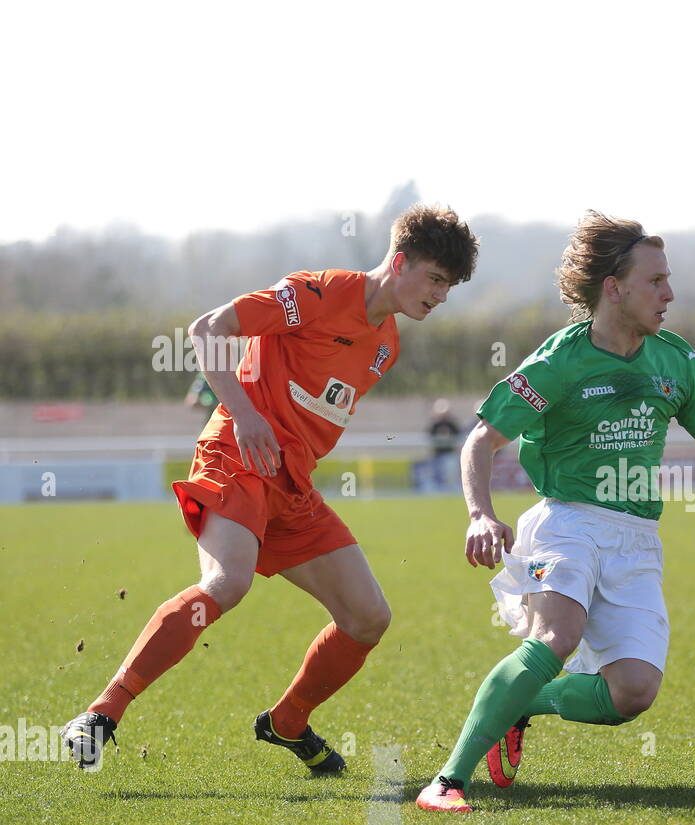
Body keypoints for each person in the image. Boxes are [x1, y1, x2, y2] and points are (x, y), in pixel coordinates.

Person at [59, 205, 478, 772]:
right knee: (227, 582)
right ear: (399, 262)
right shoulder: (318, 292)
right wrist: (245, 414)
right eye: (435, 279)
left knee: (368, 617)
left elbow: (314, 406)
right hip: (238, 455)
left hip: (292, 485)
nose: (441, 295)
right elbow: (209, 329)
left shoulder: (387, 346)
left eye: (448, 286)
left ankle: (287, 722)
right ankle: (102, 713)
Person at [417, 211, 695, 813]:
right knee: (555, 639)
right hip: (568, 523)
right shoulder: (560, 361)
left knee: (633, 694)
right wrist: (480, 515)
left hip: (638, 538)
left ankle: (523, 705)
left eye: (669, 280)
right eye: (655, 281)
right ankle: (448, 781)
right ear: (613, 287)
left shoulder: (676, 361)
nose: (669, 293)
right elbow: (481, 440)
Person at [426, 398, 461, 489]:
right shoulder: (434, 424)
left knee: (451, 471)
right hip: (438, 454)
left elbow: (458, 436)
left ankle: (452, 487)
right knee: (438, 473)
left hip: (450, 453)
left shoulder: (452, 424)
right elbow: (430, 437)